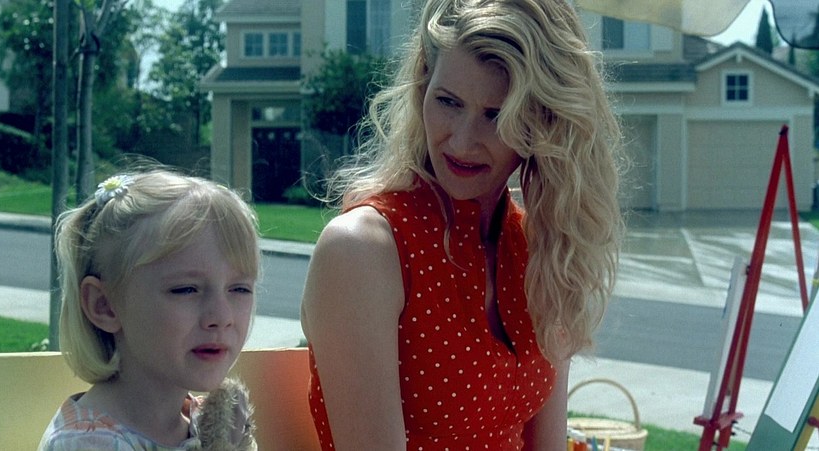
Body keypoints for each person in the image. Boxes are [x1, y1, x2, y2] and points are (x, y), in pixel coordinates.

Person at [300, 0, 624, 449]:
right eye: (448, 102)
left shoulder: (542, 247)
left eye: (496, 114)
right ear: (422, 88)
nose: (463, 140)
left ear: (545, 122)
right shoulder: (364, 250)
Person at [38, 169, 260, 450]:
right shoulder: (88, 443)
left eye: (239, 289)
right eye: (185, 289)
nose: (221, 317)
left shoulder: (205, 423)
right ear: (104, 306)